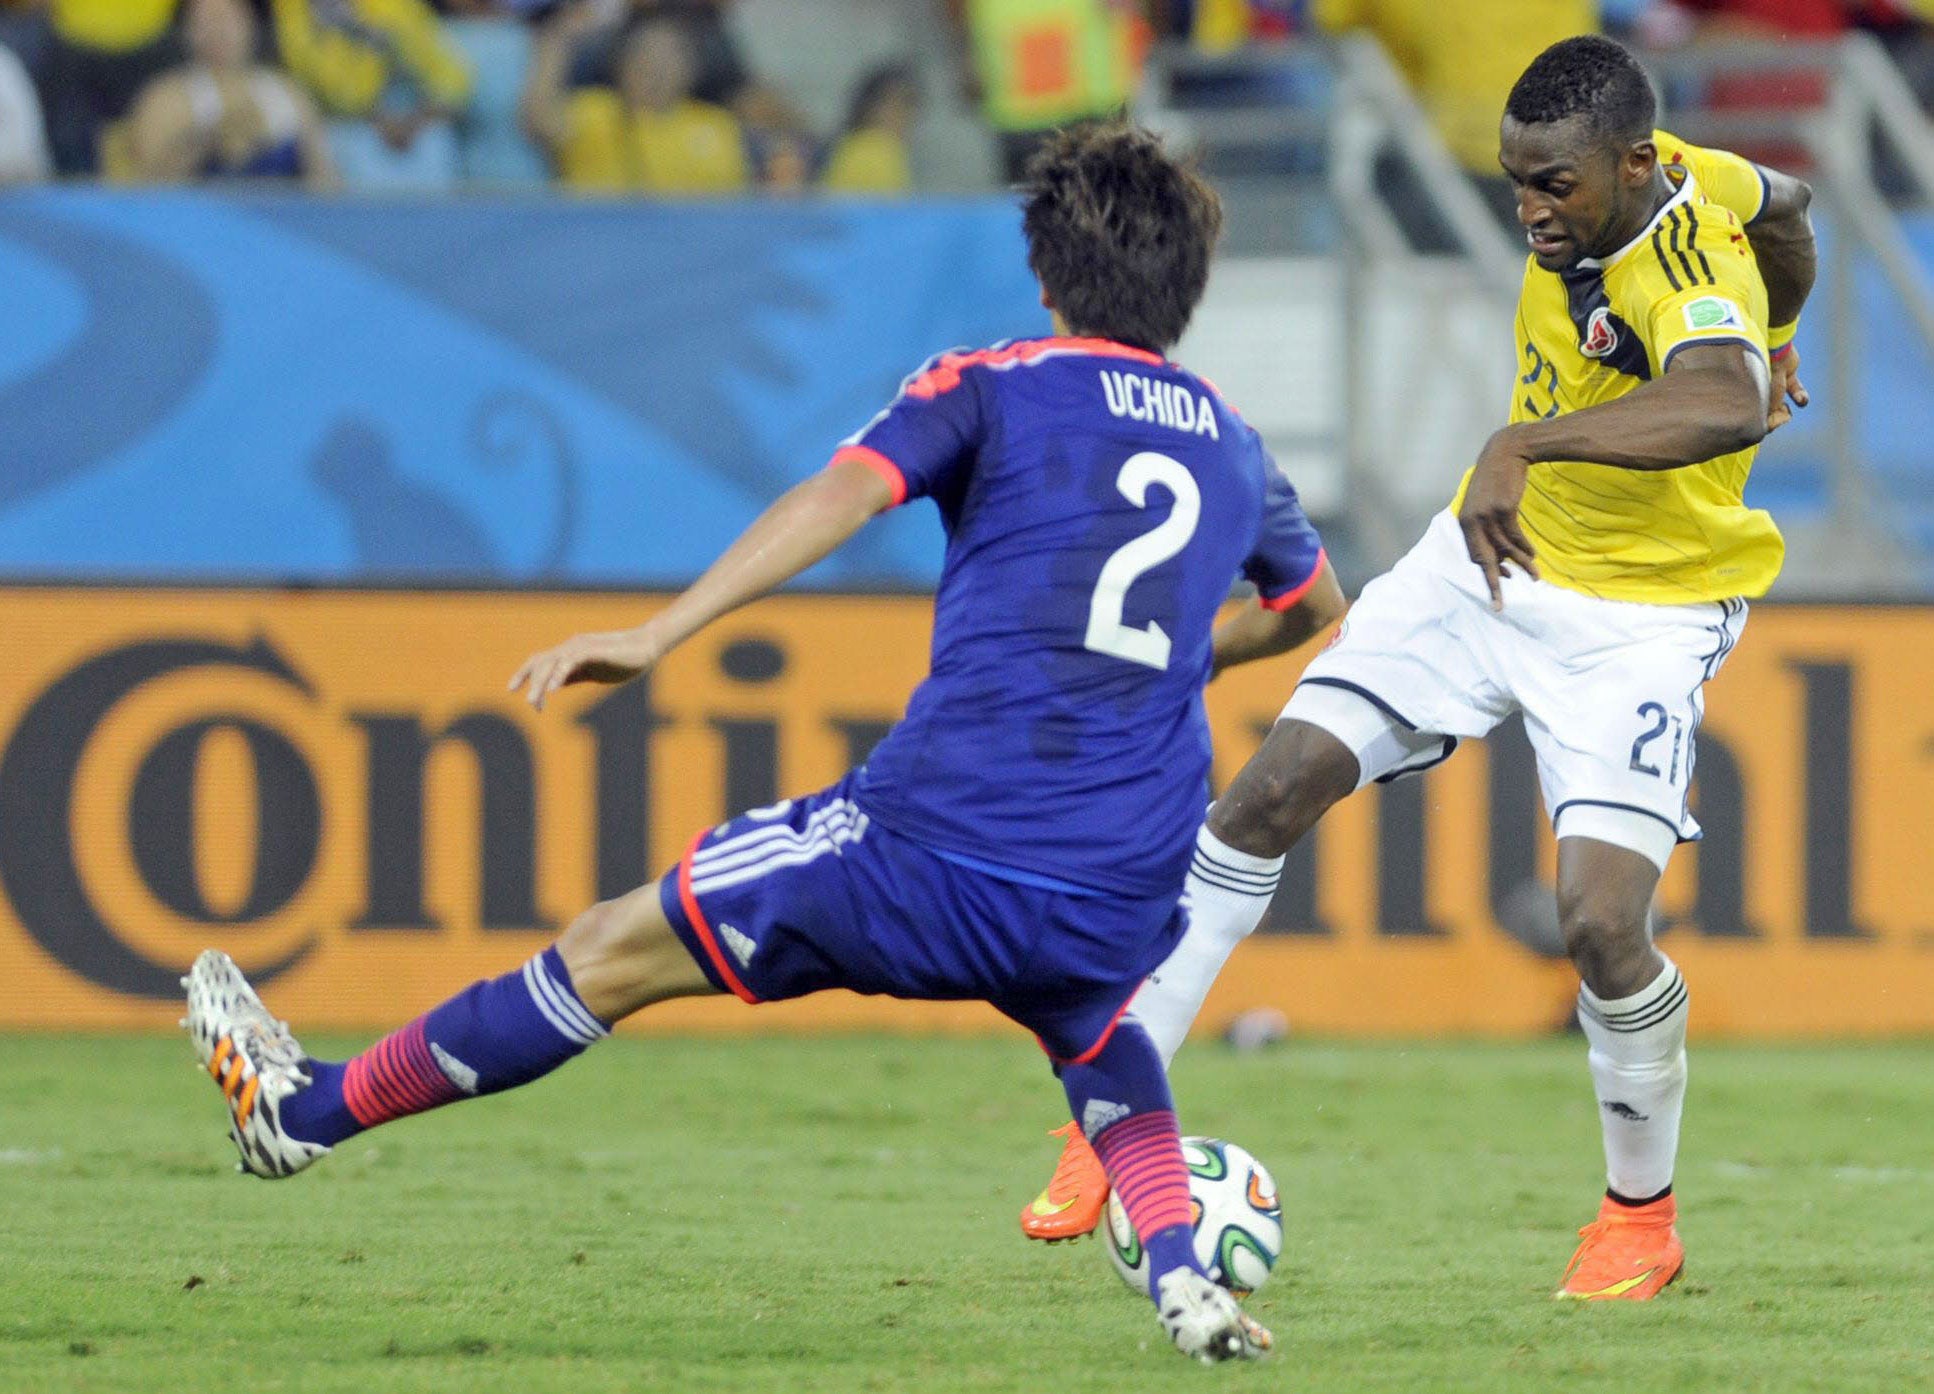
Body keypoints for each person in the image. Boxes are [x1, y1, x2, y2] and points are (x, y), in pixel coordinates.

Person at [184, 121, 1345, 1362]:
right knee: (1101, 1034)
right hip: (1117, 871)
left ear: (1048, 280)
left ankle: (307, 1114)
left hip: (931, 846)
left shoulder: (992, 381)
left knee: (608, 948)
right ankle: (1179, 1272)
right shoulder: (1233, 442)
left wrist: (662, 628)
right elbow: (1311, 607)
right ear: (1187, 291)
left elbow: (840, 493)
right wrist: (1178, 653)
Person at [1017, 34, 1818, 1308]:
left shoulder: (1675, 262)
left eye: (1553, 185)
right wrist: (1789, 318)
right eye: (1515, 180)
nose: (1529, 209)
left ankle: (1637, 1217)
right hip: (1482, 567)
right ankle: (1108, 1119)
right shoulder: (1678, 170)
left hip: (1640, 618)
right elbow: (1790, 204)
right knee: (1264, 791)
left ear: (1620, 165)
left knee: (1601, 925)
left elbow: (1719, 399)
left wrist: (1529, 436)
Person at [521, 2, 748, 194]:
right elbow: (538, 121)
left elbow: (735, 205)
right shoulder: (595, 111)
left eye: (670, 57)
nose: (658, 69)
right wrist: (557, 39)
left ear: (691, 68)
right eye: (647, 55)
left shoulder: (715, 124)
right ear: (621, 64)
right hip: (598, 239)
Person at [121, 0, 335, 186]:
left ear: (252, 24)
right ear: (187, 31)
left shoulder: (289, 94)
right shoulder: (165, 99)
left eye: (228, 18)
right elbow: (146, 190)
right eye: (207, 20)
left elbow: (325, 184)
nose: (218, 30)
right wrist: (207, 142)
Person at [820, 61, 920, 195]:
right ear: (871, 108)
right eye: (897, 106)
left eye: (910, 107)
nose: (906, 117)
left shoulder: (847, 146)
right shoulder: (879, 151)